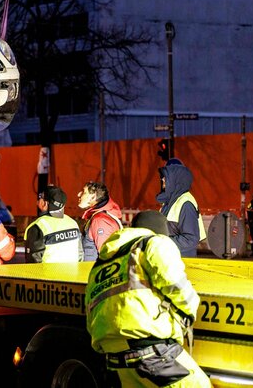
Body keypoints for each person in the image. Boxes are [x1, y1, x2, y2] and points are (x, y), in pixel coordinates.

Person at [86, 211, 211, 388]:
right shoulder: (154, 242)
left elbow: (90, 310)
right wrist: (189, 312)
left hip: (114, 355)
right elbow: (174, 283)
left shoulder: (102, 263)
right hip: (149, 349)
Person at [157, 159, 206, 257]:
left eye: (166, 177)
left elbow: (190, 239)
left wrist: (163, 242)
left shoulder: (186, 204)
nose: (162, 179)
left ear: (176, 180)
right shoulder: (170, 200)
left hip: (182, 260)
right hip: (171, 256)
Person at [24, 185, 83, 263]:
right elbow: (80, 255)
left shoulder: (38, 226)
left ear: (44, 203)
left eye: (40, 198)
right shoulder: (73, 223)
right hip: (73, 274)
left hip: (48, 274)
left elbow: (33, 261)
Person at [77, 181, 123, 262]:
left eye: (84, 192)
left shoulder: (100, 220)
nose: (79, 194)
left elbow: (106, 254)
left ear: (93, 197)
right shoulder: (100, 216)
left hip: (92, 271)